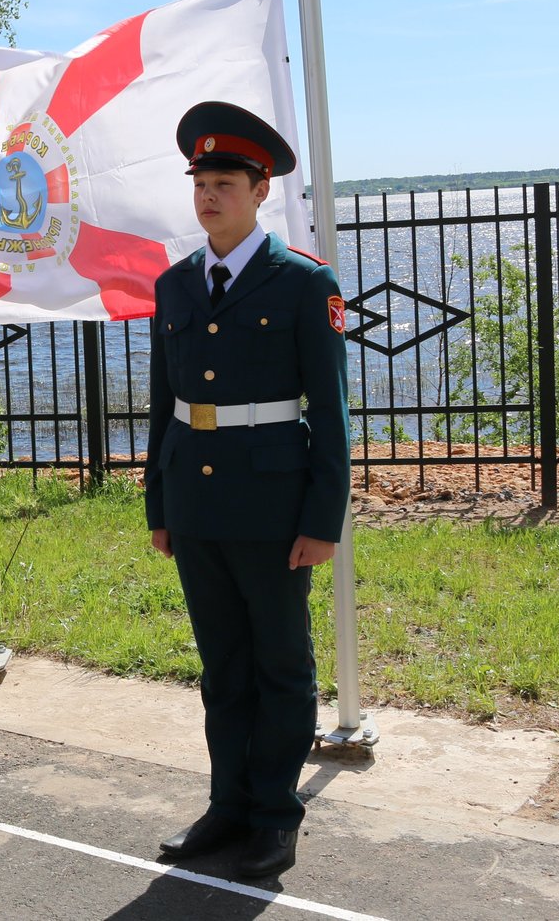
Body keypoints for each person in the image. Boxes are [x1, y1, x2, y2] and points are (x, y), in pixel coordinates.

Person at [144, 101, 350, 880]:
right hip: (196, 506)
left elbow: (329, 415)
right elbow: (166, 405)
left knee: (281, 667)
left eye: (225, 182)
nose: (209, 195)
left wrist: (323, 518)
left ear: (261, 190)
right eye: (201, 181)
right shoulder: (173, 285)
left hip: (273, 505)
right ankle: (226, 806)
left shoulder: (302, 283)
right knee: (222, 667)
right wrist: (160, 504)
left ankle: (274, 816)